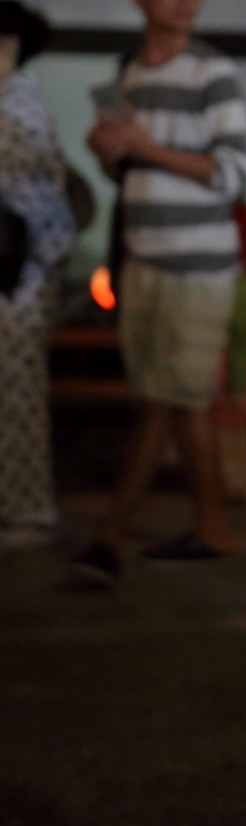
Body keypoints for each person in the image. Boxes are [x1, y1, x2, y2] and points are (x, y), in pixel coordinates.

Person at [77, 0, 246, 578]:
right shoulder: (129, 69)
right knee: (161, 397)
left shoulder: (212, 71)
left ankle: (174, 529)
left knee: (182, 398)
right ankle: (134, 531)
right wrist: (110, 153)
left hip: (197, 264)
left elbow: (233, 174)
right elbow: (131, 171)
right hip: (142, 257)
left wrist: (141, 145)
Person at [0, 1, 75, 552]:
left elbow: (40, 194)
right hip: (21, 260)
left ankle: (25, 512)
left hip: (21, 268)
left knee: (17, 393)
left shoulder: (18, 107)